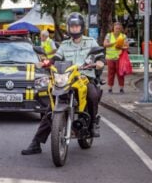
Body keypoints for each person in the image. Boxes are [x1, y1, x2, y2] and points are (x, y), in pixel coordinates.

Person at [21, 12, 105, 155]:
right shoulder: (65, 45)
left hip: (85, 78)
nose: (74, 29)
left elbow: (100, 56)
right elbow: (56, 58)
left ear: (82, 27)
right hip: (67, 78)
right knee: (51, 108)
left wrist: (99, 63)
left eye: (77, 26)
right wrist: (46, 62)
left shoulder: (90, 41)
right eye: (72, 27)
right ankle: (36, 143)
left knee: (92, 95)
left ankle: (92, 127)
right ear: (68, 28)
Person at [103, 22, 128, 94]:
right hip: (110, 58)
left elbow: (127, 46)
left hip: (119, 58)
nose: (117, 30)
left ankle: (121, 88)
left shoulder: (123, 36)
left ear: (121, 29)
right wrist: (114, 43)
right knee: (111, 73)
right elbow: (105, 44)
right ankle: (110, 88)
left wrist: (121, 47)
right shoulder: (109, 35)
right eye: (116, 28)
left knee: (120, 74)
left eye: (119, 28)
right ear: (113, 28)